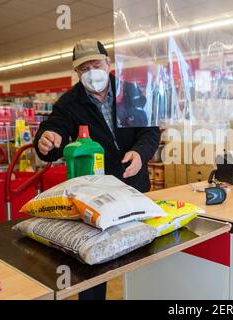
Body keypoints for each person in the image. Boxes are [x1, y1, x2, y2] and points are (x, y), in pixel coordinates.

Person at [34, 39, 160, 300]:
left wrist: (140, 153)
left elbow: (150, 131)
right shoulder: (69, 103)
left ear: (108, 64)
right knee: (92, 265)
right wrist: (47, 139)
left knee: (145, 254)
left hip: (134, 187)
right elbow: (54, 130)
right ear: (77, 73)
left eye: (97, 64)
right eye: (84, 68)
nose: (92, 71)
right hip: (95, 196)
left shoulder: (131, 92)